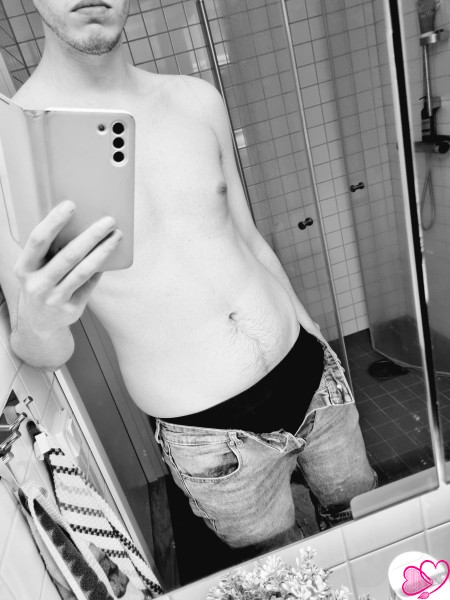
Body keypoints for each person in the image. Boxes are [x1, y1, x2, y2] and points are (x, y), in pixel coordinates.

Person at [0, 0, 376, 557]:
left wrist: (315, 335)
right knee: (286, 579)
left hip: (313, 377)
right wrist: (39, 317)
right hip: (210, 436)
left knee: (372, 528)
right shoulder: (14, 146)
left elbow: (249, 239)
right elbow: (41, 352)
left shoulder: (196, 99)